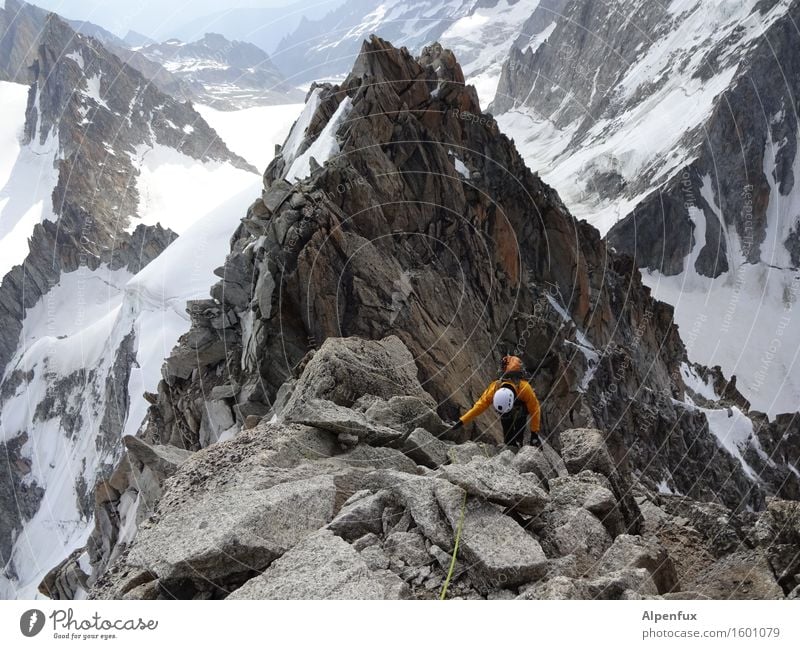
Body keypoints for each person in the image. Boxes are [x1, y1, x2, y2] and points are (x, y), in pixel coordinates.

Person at [449, 355, 542, 448]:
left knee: (521, 414)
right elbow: (479, 406)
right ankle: (510, 443)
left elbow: (535, 409)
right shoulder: (494, 389)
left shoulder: (525, 389)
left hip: (521, 405)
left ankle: (518, 439)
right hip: (510, 403)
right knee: (506, 423)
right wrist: (461, 421)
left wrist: (534, 433)